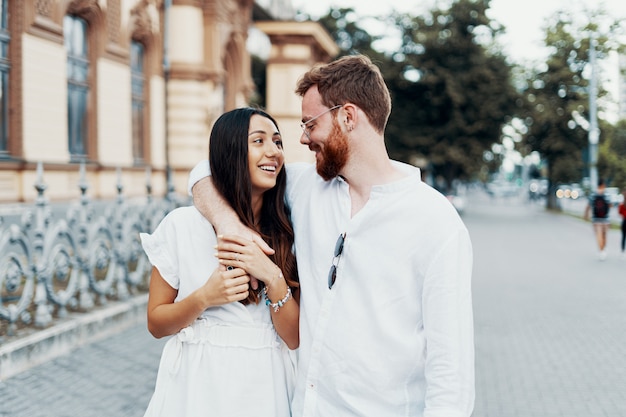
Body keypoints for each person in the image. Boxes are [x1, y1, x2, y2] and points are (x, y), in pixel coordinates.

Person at [190, 55, 475, 416]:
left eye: (310, 122)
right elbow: (208, 172)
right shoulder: (305, 187)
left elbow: (452, 370)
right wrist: (230, 225)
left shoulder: (436, 221)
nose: (304, 137)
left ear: (348, 116)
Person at [140, 107, 299, 417]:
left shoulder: (287, 230)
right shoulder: (182, 225)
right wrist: (205, 297)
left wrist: (272, 276)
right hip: (196, 386)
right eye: (259, 141)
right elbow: (156, 324)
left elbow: (293, 338)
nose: (273, 152)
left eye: (278, 142)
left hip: (265, 387)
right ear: (231, 151)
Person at [584, 178, 612, 260]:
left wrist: (586, 214)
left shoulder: (593, 194)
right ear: (603, 185)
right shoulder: (606, 194)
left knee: (598, 235)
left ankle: (601, 251)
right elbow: (610, 205)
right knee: (604, 235)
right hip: (605, 219)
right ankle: (603, 249)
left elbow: (588, 205)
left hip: (596, 219)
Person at [619, 187, 626, 259]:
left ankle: (622, 251)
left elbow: (620, 212)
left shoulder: (621, 204)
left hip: (624, 221)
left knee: (623, 237)